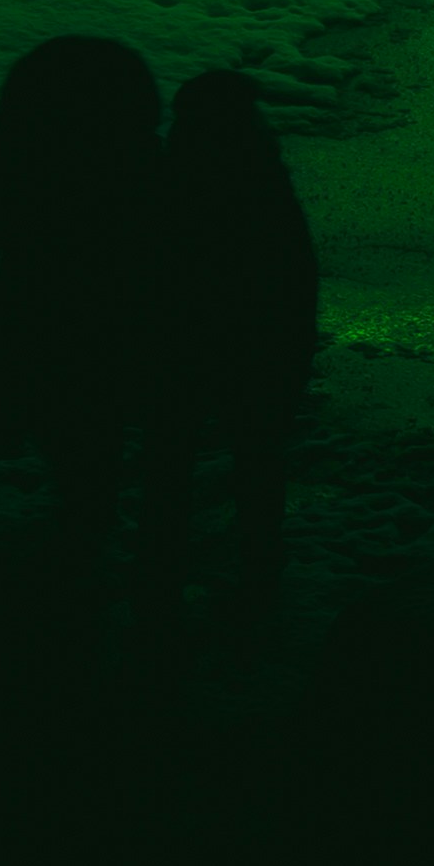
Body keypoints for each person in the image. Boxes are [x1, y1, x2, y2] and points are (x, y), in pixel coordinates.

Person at [0, 35, 178, 599]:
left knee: (70, 413)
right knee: (108, 408)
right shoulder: (130, 158)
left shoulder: (29, 151)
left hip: (44, 296)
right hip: (117, 297)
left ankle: (86, 509)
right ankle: (113, 517)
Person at [144, 66, 322, 625]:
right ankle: (259, 570)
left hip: (187, 343)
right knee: (258, 459)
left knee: (169, 461)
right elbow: (296, 274)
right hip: (262, 341)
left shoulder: (176, 180)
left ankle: (160, 579)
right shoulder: (263, 180)